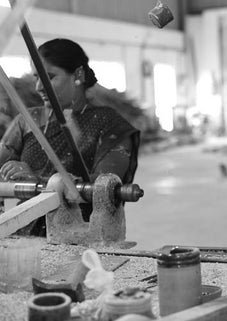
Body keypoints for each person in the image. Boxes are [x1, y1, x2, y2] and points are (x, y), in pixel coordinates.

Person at [0, 38, 140, 235]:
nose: (39, 86)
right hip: (25, 235)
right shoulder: (27, 121)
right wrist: (9, 176)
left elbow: (104, 189)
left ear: (78, 75)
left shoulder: (109, 124)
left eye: (49, 77)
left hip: (83, 237)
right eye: (36, 77)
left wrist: (37, 181)